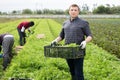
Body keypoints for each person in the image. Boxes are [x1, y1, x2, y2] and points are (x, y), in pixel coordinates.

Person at [51, 4, 92, 80]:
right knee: (72, 71)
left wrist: (85, 42)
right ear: (69, 11)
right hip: (67, 51)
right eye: (72, 10)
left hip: (78, 51)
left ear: (78, 12)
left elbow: (90, 36)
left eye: (75, 10)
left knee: (78, 73)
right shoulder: (65, 23)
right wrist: (56, 40)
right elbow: (61, 36)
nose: (73, 11)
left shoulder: (84, 23)